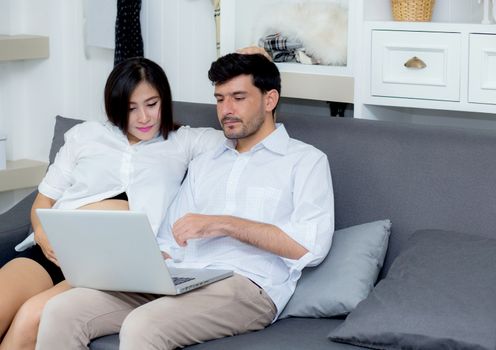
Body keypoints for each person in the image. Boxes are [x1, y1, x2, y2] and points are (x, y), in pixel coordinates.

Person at [35, 52, 335, 350]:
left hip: (247, 285)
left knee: (143, 326)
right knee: (61, 311)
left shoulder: (304, 161)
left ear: (269, 100)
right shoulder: (208, 160)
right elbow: (169, 237)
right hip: (181, 276)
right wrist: (152, 262)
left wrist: (224, 224)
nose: (226, 110)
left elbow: (310, 246)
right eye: (219, 99)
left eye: (238, 98)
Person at [0, 57, 223, 350]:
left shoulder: (185, 142)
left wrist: (254, 67)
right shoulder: (85, 136)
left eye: (152, 104)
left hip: (109, 265)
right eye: (131, 108)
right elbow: (44, 199)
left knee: (32, 316)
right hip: (54, 250)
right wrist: (41, 235)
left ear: (164, 101)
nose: (144, 118)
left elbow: (243, 135)